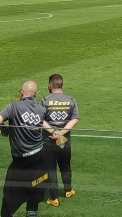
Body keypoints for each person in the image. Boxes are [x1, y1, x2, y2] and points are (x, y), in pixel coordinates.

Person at [0, 80, 56, 217]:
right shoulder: (41, 109)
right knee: (34, 193)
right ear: (36, 94)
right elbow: (41, 122)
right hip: (39, 158)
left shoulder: (14, 106)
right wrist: (55, 133)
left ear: (22, 92)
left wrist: (4, 127)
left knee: (9, 195)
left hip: (20, 162)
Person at [42, 74, 79, 206]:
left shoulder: (45, 100)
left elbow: (40, 120)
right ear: (61, 85)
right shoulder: (71, 100)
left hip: (48, 140)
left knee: (50, 169)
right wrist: (61, 133)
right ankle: (68, 190)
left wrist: (53, 132)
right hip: (65, 140)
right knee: (65, 166)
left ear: (50, 85)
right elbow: (75, 119)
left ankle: (54, 198)